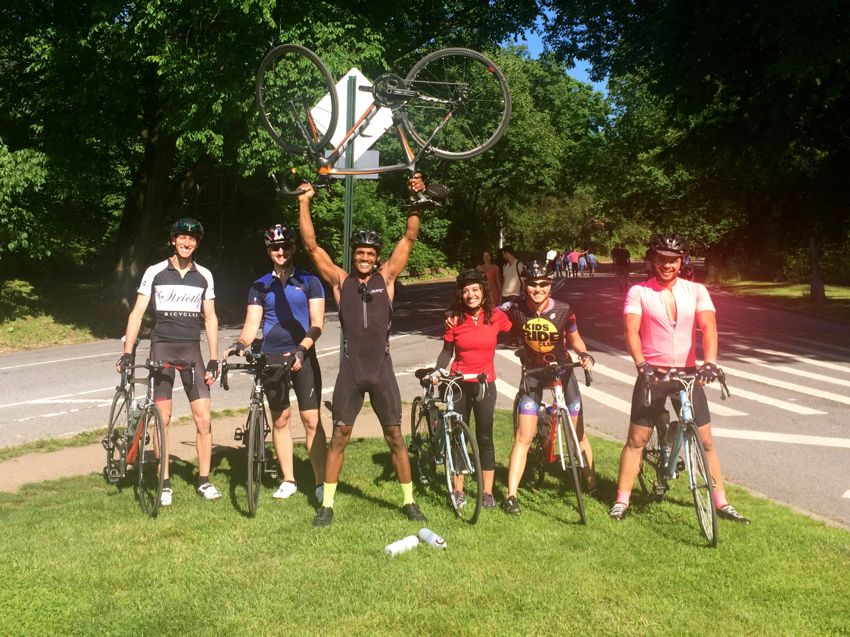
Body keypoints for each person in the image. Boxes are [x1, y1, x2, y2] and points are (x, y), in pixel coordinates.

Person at [298, 174, 428, 527]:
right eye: (360, 253)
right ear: (353, 255)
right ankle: (327, 504)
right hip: (351, 372)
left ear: (377, 256)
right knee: (340, 435)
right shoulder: (342, 282)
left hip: (381, 370)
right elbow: (311, 247)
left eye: (371, 253)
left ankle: (409, 502)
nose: (365, 258)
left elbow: (410, 236)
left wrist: (415, 198)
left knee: (395, 437)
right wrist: (304, 201)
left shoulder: (387, 279)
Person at [607, 233, 749, 524]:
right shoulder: (639, 292)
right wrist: (641, 364)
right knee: (636, 439)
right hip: (654, 375)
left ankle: (721, 502)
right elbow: (631, 331)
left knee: (706, 440)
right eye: (661, 259)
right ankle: (622, 500)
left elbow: (709, 327)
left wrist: (710, 363)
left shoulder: (696, 291)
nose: (667, 265)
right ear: (652, 260)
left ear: (681, 261)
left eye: (673, 260)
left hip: (687, 374)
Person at [115, 217, 221, 506]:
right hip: (161, 348)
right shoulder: (155, 272)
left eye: (193, 239)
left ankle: (204, 480)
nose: (187, 243)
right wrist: (128, 352)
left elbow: (210, 317)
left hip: (192, 352)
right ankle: (164, 482)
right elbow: (137, 313)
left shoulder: (205, 275)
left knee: (204, 418)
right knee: (162, 418)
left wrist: (213, 357)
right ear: (173, 240)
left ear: (197, 243)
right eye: (182, 238)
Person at [222, 224, 327, 502]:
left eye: (285, 246)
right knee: (280, 419)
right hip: (271, 357)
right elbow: (251, 326)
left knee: (311, 420)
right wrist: (239, 344)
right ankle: (289, 479)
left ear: (293, 248)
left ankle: (320, 483)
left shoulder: (309, 281)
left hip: (302, 355)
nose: (280, 251)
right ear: (268, 251)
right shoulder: (260, 285)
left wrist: (302, 350)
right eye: (274, 248)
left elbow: (317, 324)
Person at [501, 260, 597, 515]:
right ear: (525, 285)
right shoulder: (514, 307)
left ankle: (592, 484)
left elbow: (575, 339)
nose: (537, 289)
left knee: (578, 433)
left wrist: (585, 355)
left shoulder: (565, 309)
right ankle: (511, 495)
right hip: (532, 376)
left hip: (563, 373)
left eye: (543, 284)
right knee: (524, 437)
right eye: (532, 284)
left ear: (550, 285)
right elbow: (485, 312)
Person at [432, 269, 513, 509]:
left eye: (475, 290)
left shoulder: (496, 317)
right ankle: (459, 490)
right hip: (457, 383)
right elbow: (447, 352)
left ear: (483, 292)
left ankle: (487, 492)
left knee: (485, 436)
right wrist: (438, 371)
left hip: (484, 384)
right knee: (458, 436)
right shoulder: (455, 319)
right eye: (466, 291)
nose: (471, 295)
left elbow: (516, 327)